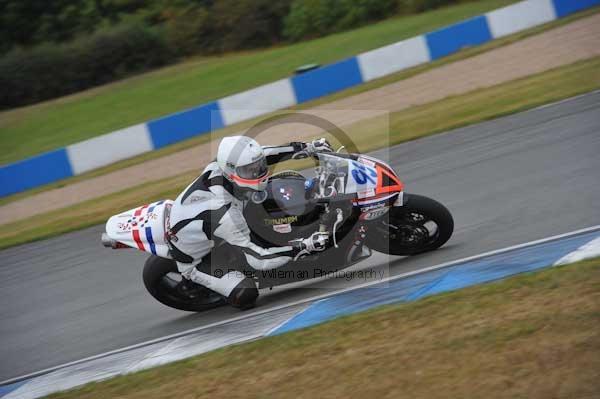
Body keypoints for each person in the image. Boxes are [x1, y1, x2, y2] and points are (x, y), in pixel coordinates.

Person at [166, 135, 333, 307]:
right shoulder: (223, 212)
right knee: (246, 294)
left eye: (259, 167)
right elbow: (258, 260)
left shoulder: (223, 165)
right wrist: (303, 246)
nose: (257, 173)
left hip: (214, 218)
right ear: (231, 173)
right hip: (195, 259)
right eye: (249, 171)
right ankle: (201, 278)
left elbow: (266, 153)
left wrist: (308, 147)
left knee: (270, 200)